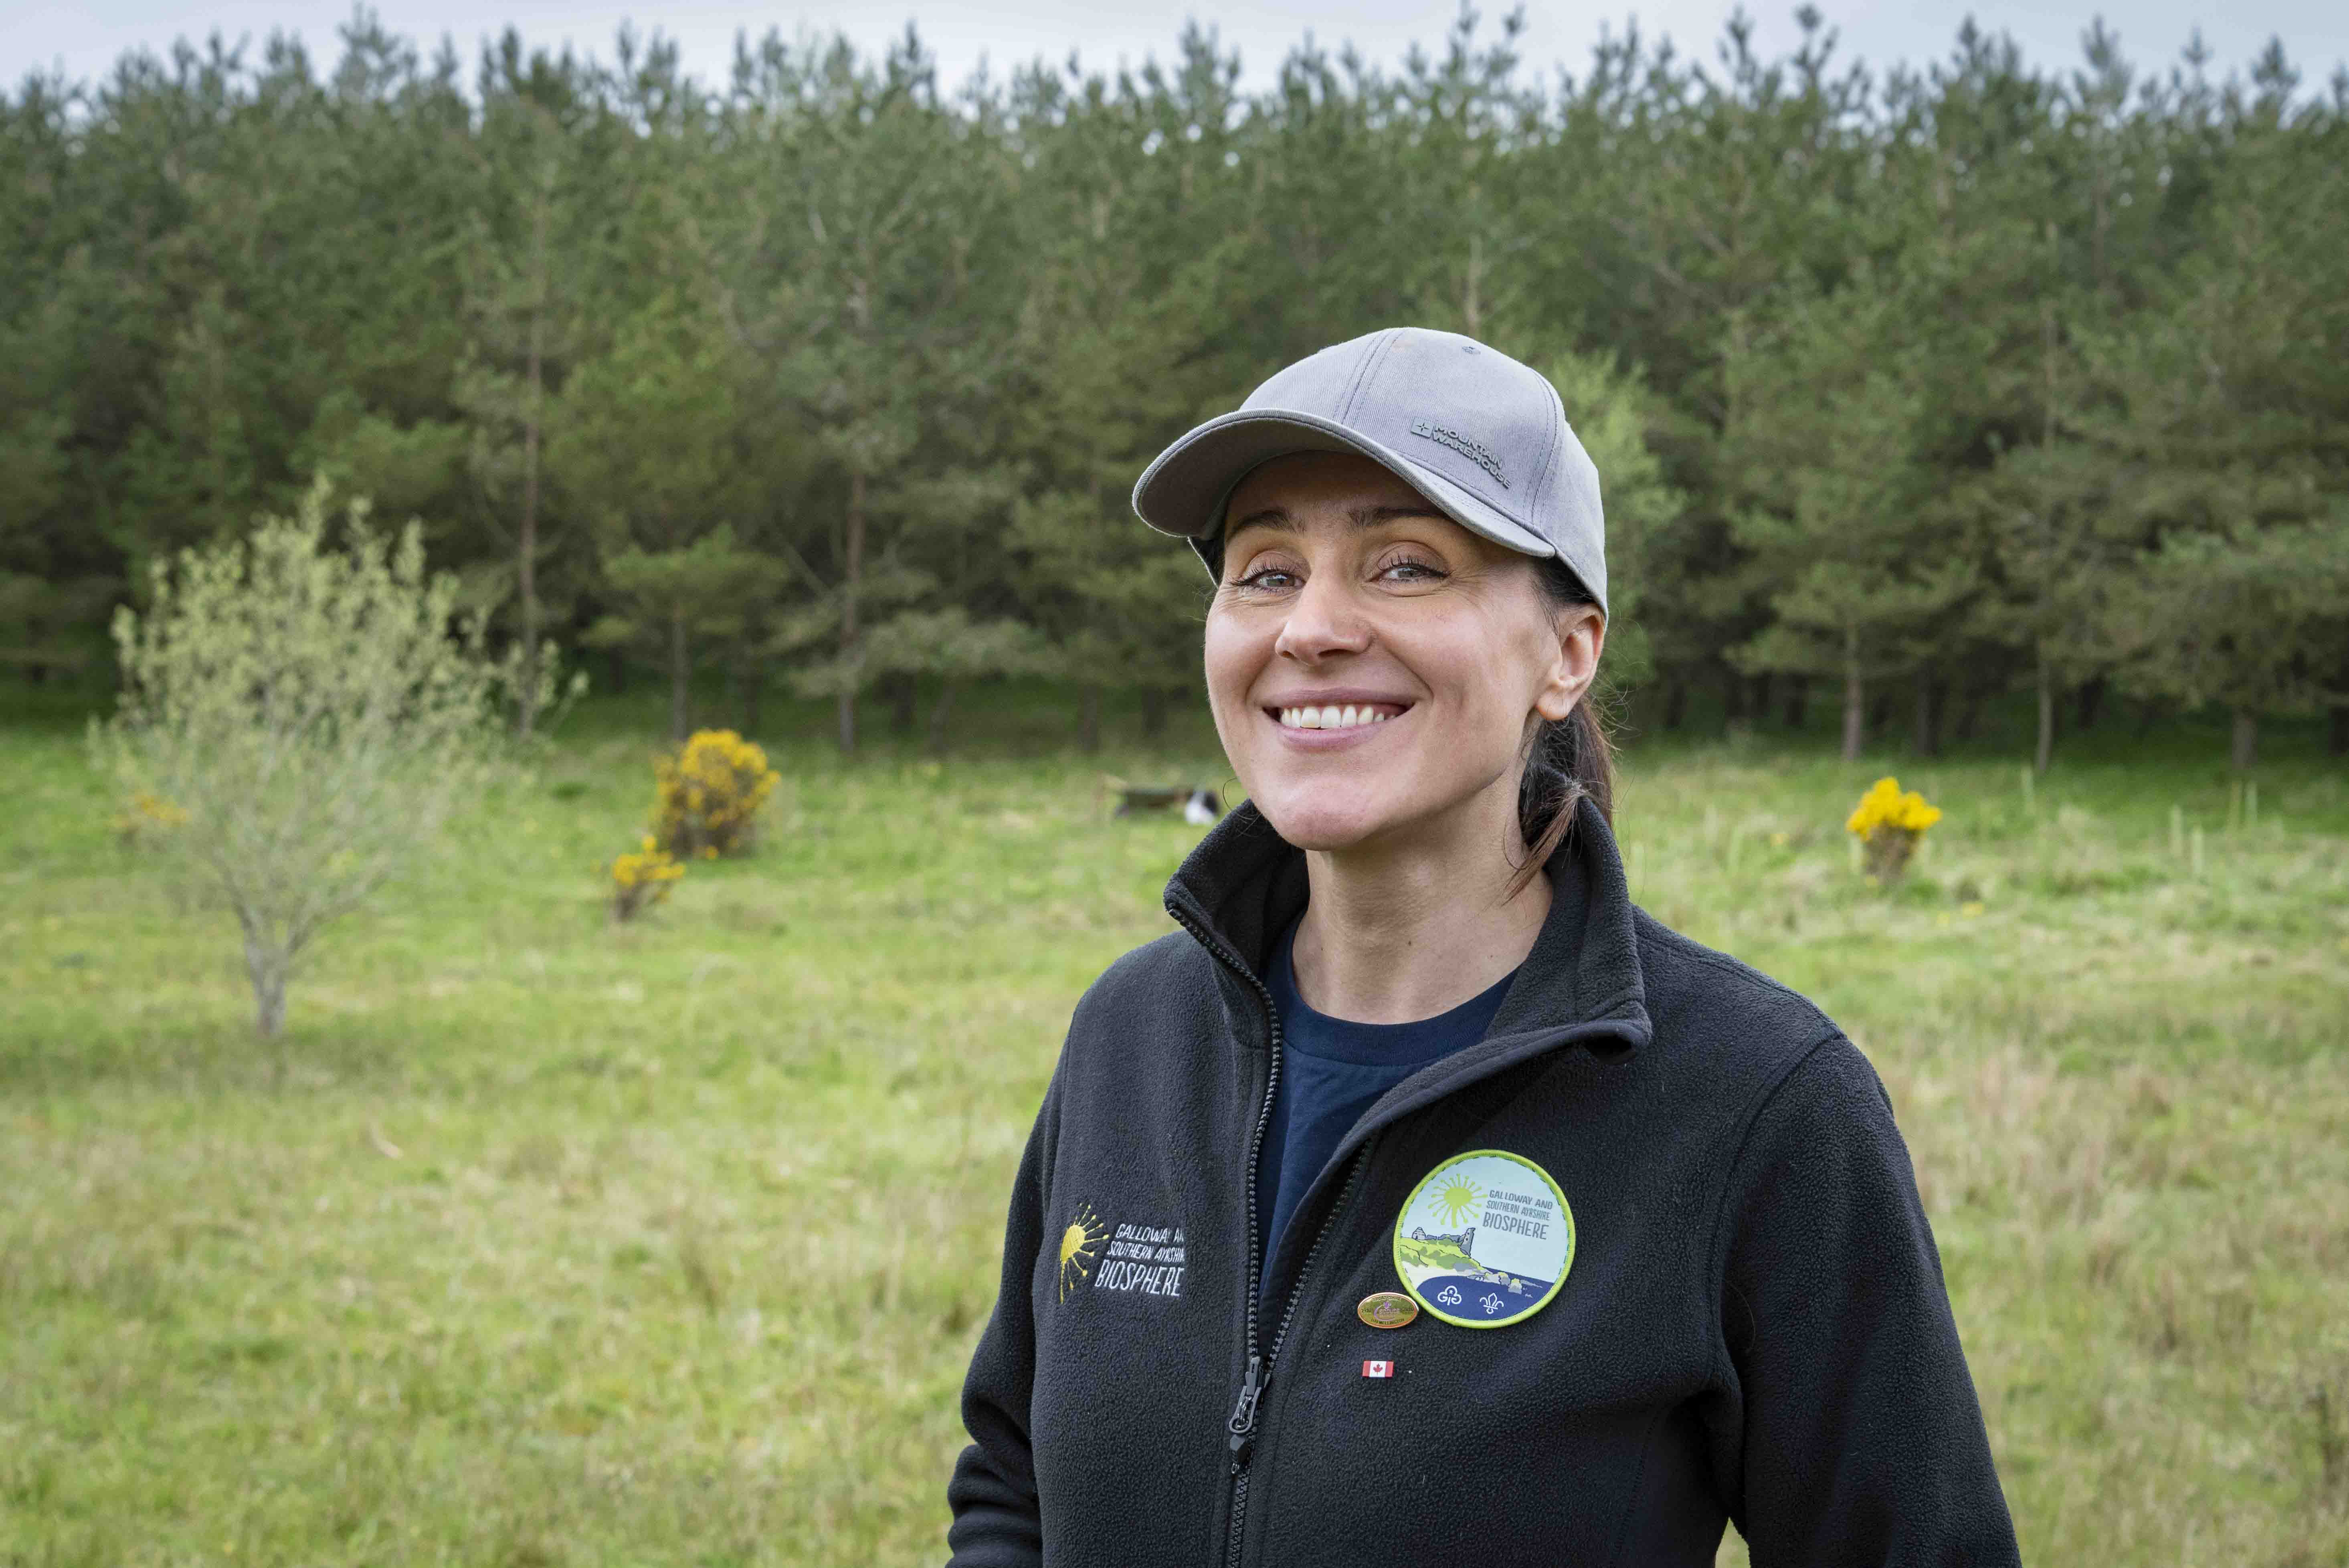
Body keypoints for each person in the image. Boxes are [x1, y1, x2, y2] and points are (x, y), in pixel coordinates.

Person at [945, 327, 2019, 1566]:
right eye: (1264, 569)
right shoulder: (1129, 1034)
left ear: (1567, 654)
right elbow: (1012, 1484)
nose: (1310, 629)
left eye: (1404, 566)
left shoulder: (1755, 1102)